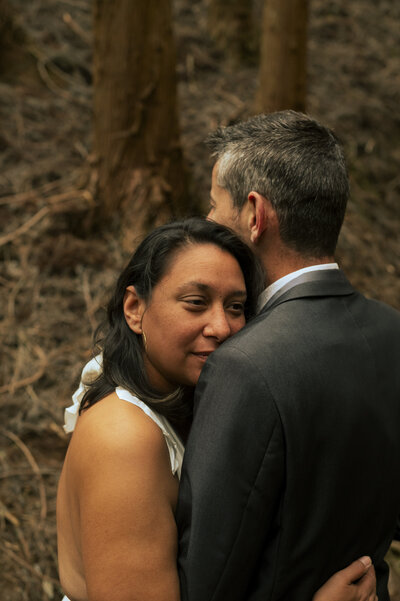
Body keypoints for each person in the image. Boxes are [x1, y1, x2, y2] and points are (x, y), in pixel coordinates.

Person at [57, 218, 376, 601]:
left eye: (236, 307)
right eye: (196, 303)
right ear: (134, 309)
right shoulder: (124, 437)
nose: (222, 327)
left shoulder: (194, 401)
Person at [176, 111, 400, 601]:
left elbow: (207, 581)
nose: (209, 224)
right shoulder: (392, 331)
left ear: (255, 216)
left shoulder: (245, 365)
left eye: (215, 209)